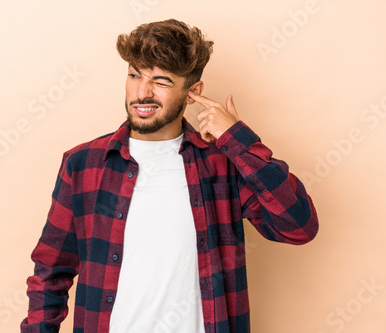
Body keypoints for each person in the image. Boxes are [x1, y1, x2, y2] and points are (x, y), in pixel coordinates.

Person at [20, 19, 319, 333]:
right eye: (135, 75)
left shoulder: (223, 164)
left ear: (192, 92)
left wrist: (236, 138)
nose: (142, 92)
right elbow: (49, 273)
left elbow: (299, 227)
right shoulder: (84, 164)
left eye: (161, 81)